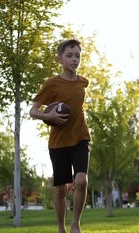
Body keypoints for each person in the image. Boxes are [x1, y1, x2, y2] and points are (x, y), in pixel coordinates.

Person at [30, 39, 91, 233]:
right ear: (60, 59)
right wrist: (49, 116)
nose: (74, 59)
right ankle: (60, 227)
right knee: (61, 189)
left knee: (81, 180)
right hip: (58, 143)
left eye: (78, 56)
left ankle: (75, 225)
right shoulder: (52, 84)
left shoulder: (83, 82)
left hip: (81, 137)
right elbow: (33, 111)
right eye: (70, 56)